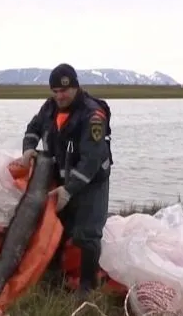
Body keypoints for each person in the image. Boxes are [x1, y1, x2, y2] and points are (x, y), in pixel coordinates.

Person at [20, 63, 113, 299]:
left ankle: (87, 285)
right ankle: (55, 274)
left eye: (65, 90)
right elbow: (33, 127)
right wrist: (29, 148)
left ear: (76, 87)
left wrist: (69, 190)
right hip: (61, 178)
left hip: (91, 182)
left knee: (87, 233)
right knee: (59, 227)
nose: (60, 95)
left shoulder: (93, 115)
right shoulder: (49, 108)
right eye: (56, 91)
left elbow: (92, 159)